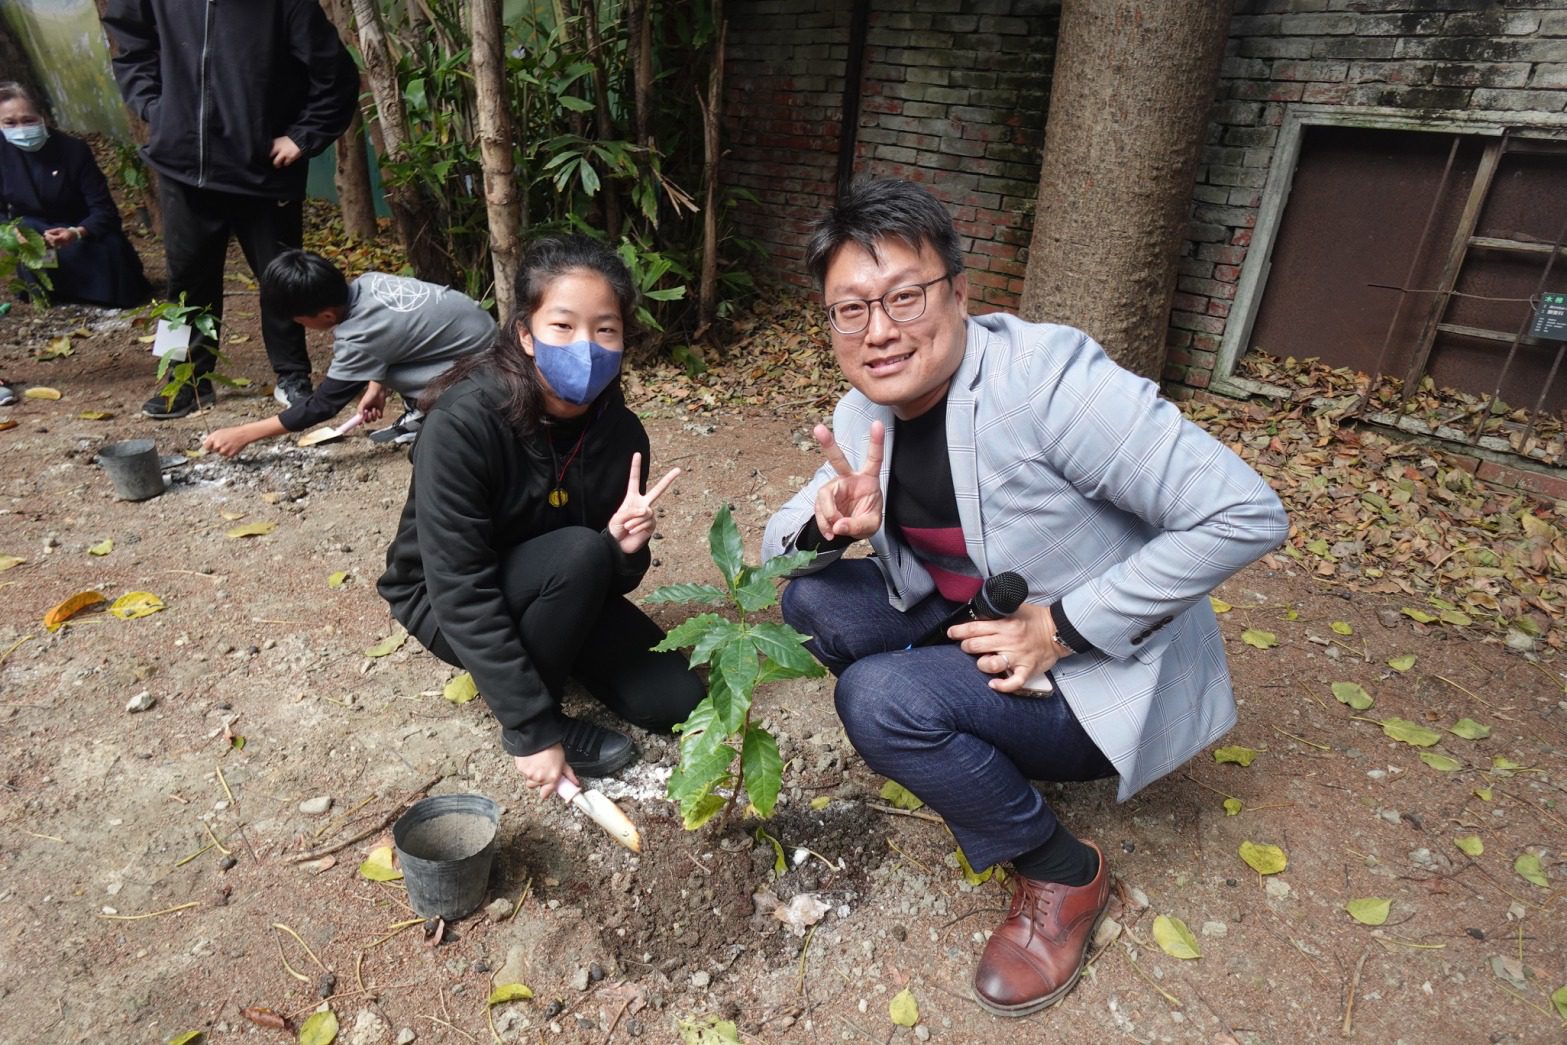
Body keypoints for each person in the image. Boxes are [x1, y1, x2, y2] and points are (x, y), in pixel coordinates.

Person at [762, 179, 1288, 1018]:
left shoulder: (1049, 382)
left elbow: (1242, 510)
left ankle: (1062, 871)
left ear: (960, 292)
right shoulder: (867, 405)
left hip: (1092, 667)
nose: (879, 330)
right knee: (812, 602)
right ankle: (956, 715)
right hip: (972, 613)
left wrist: (1062, 627)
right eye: (849, 310)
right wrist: (828, 526)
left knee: (880, 699)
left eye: (905, 296)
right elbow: (774, 555)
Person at [379, 234, 704, 797]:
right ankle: (542, 706)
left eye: (606, 329)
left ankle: (551, 648)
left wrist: (625, 547)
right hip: (445, 598)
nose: (587, 345)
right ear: (526, 335)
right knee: (577, 552)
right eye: (563, 326)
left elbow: (610, 574)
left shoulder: (620, 432)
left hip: (563, 581)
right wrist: (531, 730)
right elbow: (458, 585)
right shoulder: (466, 422)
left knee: (679, 704)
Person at [101, 0, 359, 420]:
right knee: (182, 284)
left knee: (281, 278)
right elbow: (130, 46)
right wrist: (154, 108)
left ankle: (293, 375)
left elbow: (337, 74)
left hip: (263, 172)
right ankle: (181, 379)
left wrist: (304, 136)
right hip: (182, 167)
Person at [202, 250, 496, 457]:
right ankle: (427, 407)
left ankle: (443, 416)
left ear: (327, 316)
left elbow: (323, 404)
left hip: (482, 370)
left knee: (371, 373)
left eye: (299, 321)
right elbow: (400, 334)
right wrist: (376, 385)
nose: (299, 326)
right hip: (480, 338)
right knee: (375, 372)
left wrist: (244, 433)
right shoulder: (367, 283)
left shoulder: (359, 335)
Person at [0, 81, 151, 308]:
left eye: (28, 120)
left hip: (81, 233)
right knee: (32, 236)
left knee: (114, 264)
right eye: (10, 123)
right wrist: (13, 233)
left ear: (43, 116)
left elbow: (105, 211)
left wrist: (76, 233)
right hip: (35, 237)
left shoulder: (73, 150)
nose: (20, 129)